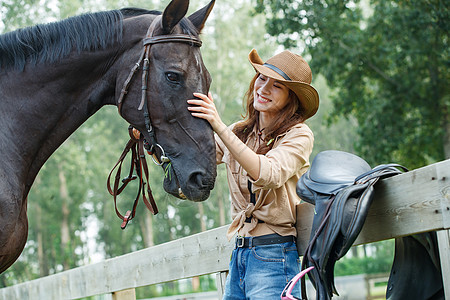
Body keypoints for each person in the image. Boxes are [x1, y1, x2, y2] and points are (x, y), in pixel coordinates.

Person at [187, 48, 319, 299]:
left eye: (277, 86)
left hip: (274, 254)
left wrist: (219, 125)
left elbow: (268, 173)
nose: (263, 88)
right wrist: (151, 138)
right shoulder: (240, 132)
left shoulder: (299, 135)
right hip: (240, 254)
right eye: (261, 78)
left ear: (292, 99)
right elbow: (197, 158)